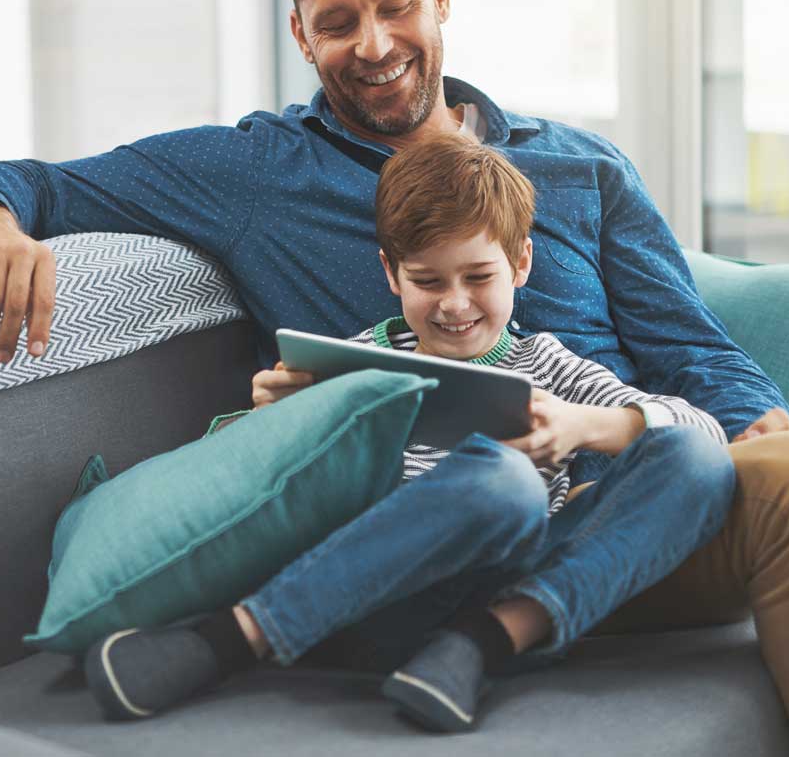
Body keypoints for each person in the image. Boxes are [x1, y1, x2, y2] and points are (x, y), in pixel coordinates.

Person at [0, 0, 789, 757]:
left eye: (391, 6)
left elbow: (684, 343)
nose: (370, 45)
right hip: (497, 517)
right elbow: (23, 177)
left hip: (652, 463)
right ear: (299, 33)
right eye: (336, 23)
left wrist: (754, 421)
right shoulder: (252, 174)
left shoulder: (573, 166)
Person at [83, 138, 736, 733]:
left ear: (519, 264)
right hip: (375, 594)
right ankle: (231, 638)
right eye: (427, 281)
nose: (454, 305)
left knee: (696, 458)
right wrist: (269, 416)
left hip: (507, 598)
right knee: (503, 482)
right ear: (392, 275)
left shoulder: (547, 367)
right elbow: (238, 480)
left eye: (477, 277)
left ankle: (483, 643)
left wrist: (579, 425)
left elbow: (700, 428)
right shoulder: (351, 362)